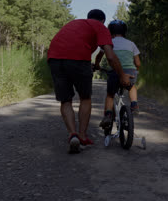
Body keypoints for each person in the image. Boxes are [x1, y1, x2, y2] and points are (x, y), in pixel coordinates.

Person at [48, 9, 132, 154]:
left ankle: (72, 134)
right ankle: (82, 136)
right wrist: (122, 75)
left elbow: (70, 46)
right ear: (103, 21)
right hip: (78, 59)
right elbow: (110, 56)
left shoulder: (76, 23)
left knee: (66, 100)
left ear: (88, 17)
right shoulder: (100, 27)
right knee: (85, 98)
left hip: (54, 58)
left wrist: (91, 65)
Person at [93, 19, 141, 130]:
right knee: (131, 87)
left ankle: (108, 115)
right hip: (130, 73)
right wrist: (135, 70)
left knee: (110, 95)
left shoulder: (108, 42)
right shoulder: (131, 44)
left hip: (115, 73)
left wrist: (97, 65)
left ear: (110, 31)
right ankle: (134, 105)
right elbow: (138, 63)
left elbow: (99, 57)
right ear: (124, 31)